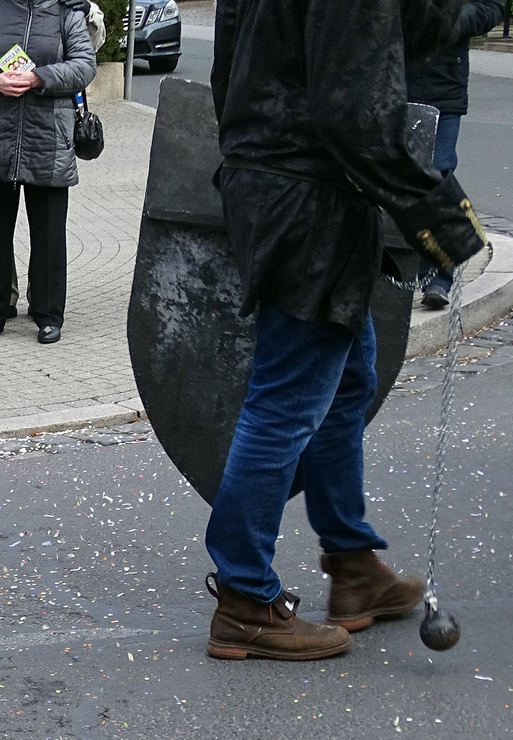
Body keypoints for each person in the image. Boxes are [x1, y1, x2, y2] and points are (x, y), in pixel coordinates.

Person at [203, 0, 486, 660]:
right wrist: (442, 222)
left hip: (275, 180)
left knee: (347, 376)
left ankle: (353, 565)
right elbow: (354, 112)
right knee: (285, 401)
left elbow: (230, 70)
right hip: (309, 197)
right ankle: (245, 600)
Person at [0, 0, 96, 346]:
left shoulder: (67, 14)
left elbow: (84, 66)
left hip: (48, 139)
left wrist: (39, 77)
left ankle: (48, 316)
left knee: (49, 234)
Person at [405, 0, 505, 310]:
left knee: (437, 174)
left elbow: (492, 7)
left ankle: (438, 275)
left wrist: (446, 19)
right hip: (389, 82)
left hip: (442, 89)